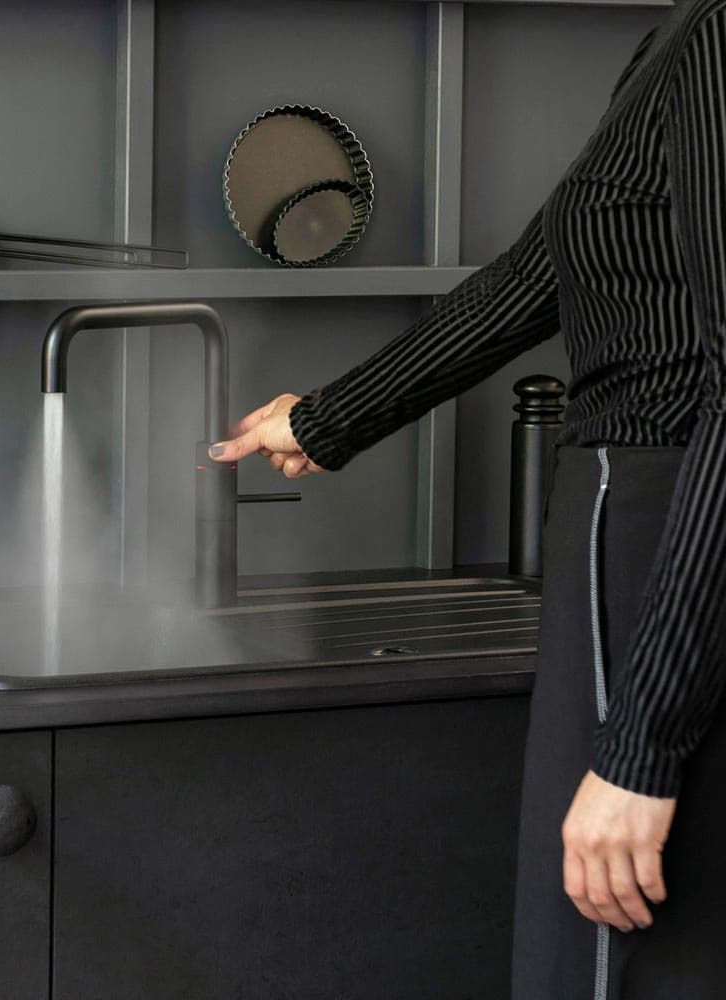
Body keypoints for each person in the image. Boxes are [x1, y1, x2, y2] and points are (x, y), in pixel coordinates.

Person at [209, 1, 726, 996]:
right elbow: (540, 272)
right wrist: (326, 419)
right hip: (642, 530)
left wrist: (639, 751)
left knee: (615, 950)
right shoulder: (684, 31)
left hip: (663, 541)